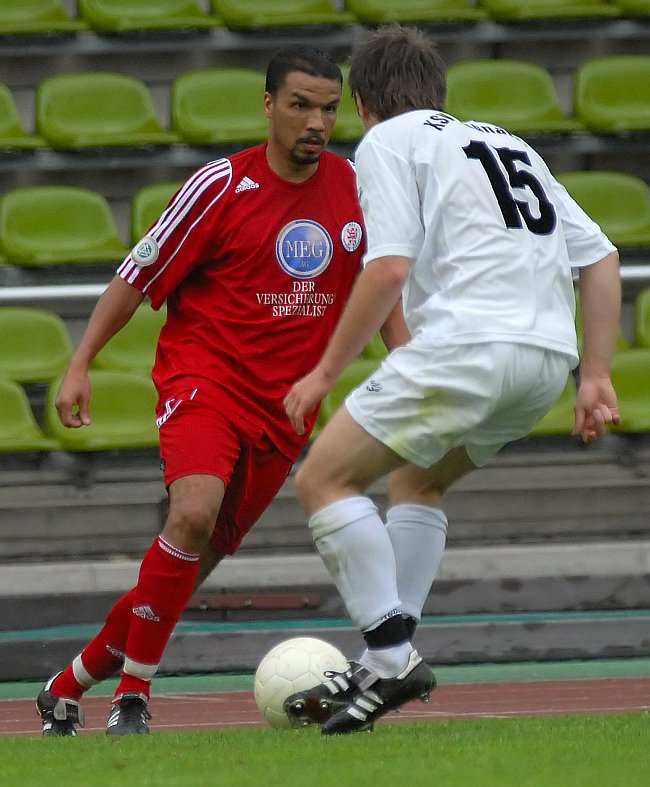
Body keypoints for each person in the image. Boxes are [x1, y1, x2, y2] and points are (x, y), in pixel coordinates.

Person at [283, 25, 621, 735]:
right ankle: (383, 662)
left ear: (364, 104)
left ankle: (389, 655)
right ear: (438, 91)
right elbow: (600, 257)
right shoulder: (508, 144)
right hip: (543, 362)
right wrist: (594, 376)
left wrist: (324, 372)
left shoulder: (387, 140)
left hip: (469, 345)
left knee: (323, 480)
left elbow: (388, 269)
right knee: (418, 480)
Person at [36, 45, 365, 737]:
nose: (316, 122)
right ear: (268, 106)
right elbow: (135, 275)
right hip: (205, 379)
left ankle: (66, 686)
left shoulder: (357, 188)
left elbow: (384, 285)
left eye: (328, 109)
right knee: (190, 514)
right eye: (300, 105)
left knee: (186, 566)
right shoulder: (220, 184)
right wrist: (80, 361)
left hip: (285, 412)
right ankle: (132, 696)